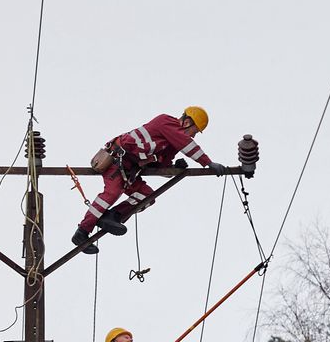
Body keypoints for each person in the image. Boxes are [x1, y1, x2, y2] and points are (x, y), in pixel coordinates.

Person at [72, 106, 224, 254]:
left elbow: (162, 165)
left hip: (129, 171)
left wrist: (175, 167)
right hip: (117, 161)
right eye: (194, 131)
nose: (193, 136)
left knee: (147, 196)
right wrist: (208, 163)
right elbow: (186, 144)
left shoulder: (172, 141)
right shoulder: (166, 121)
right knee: (112, 193)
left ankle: (112, 216)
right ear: (187, 122)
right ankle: (82, 232)